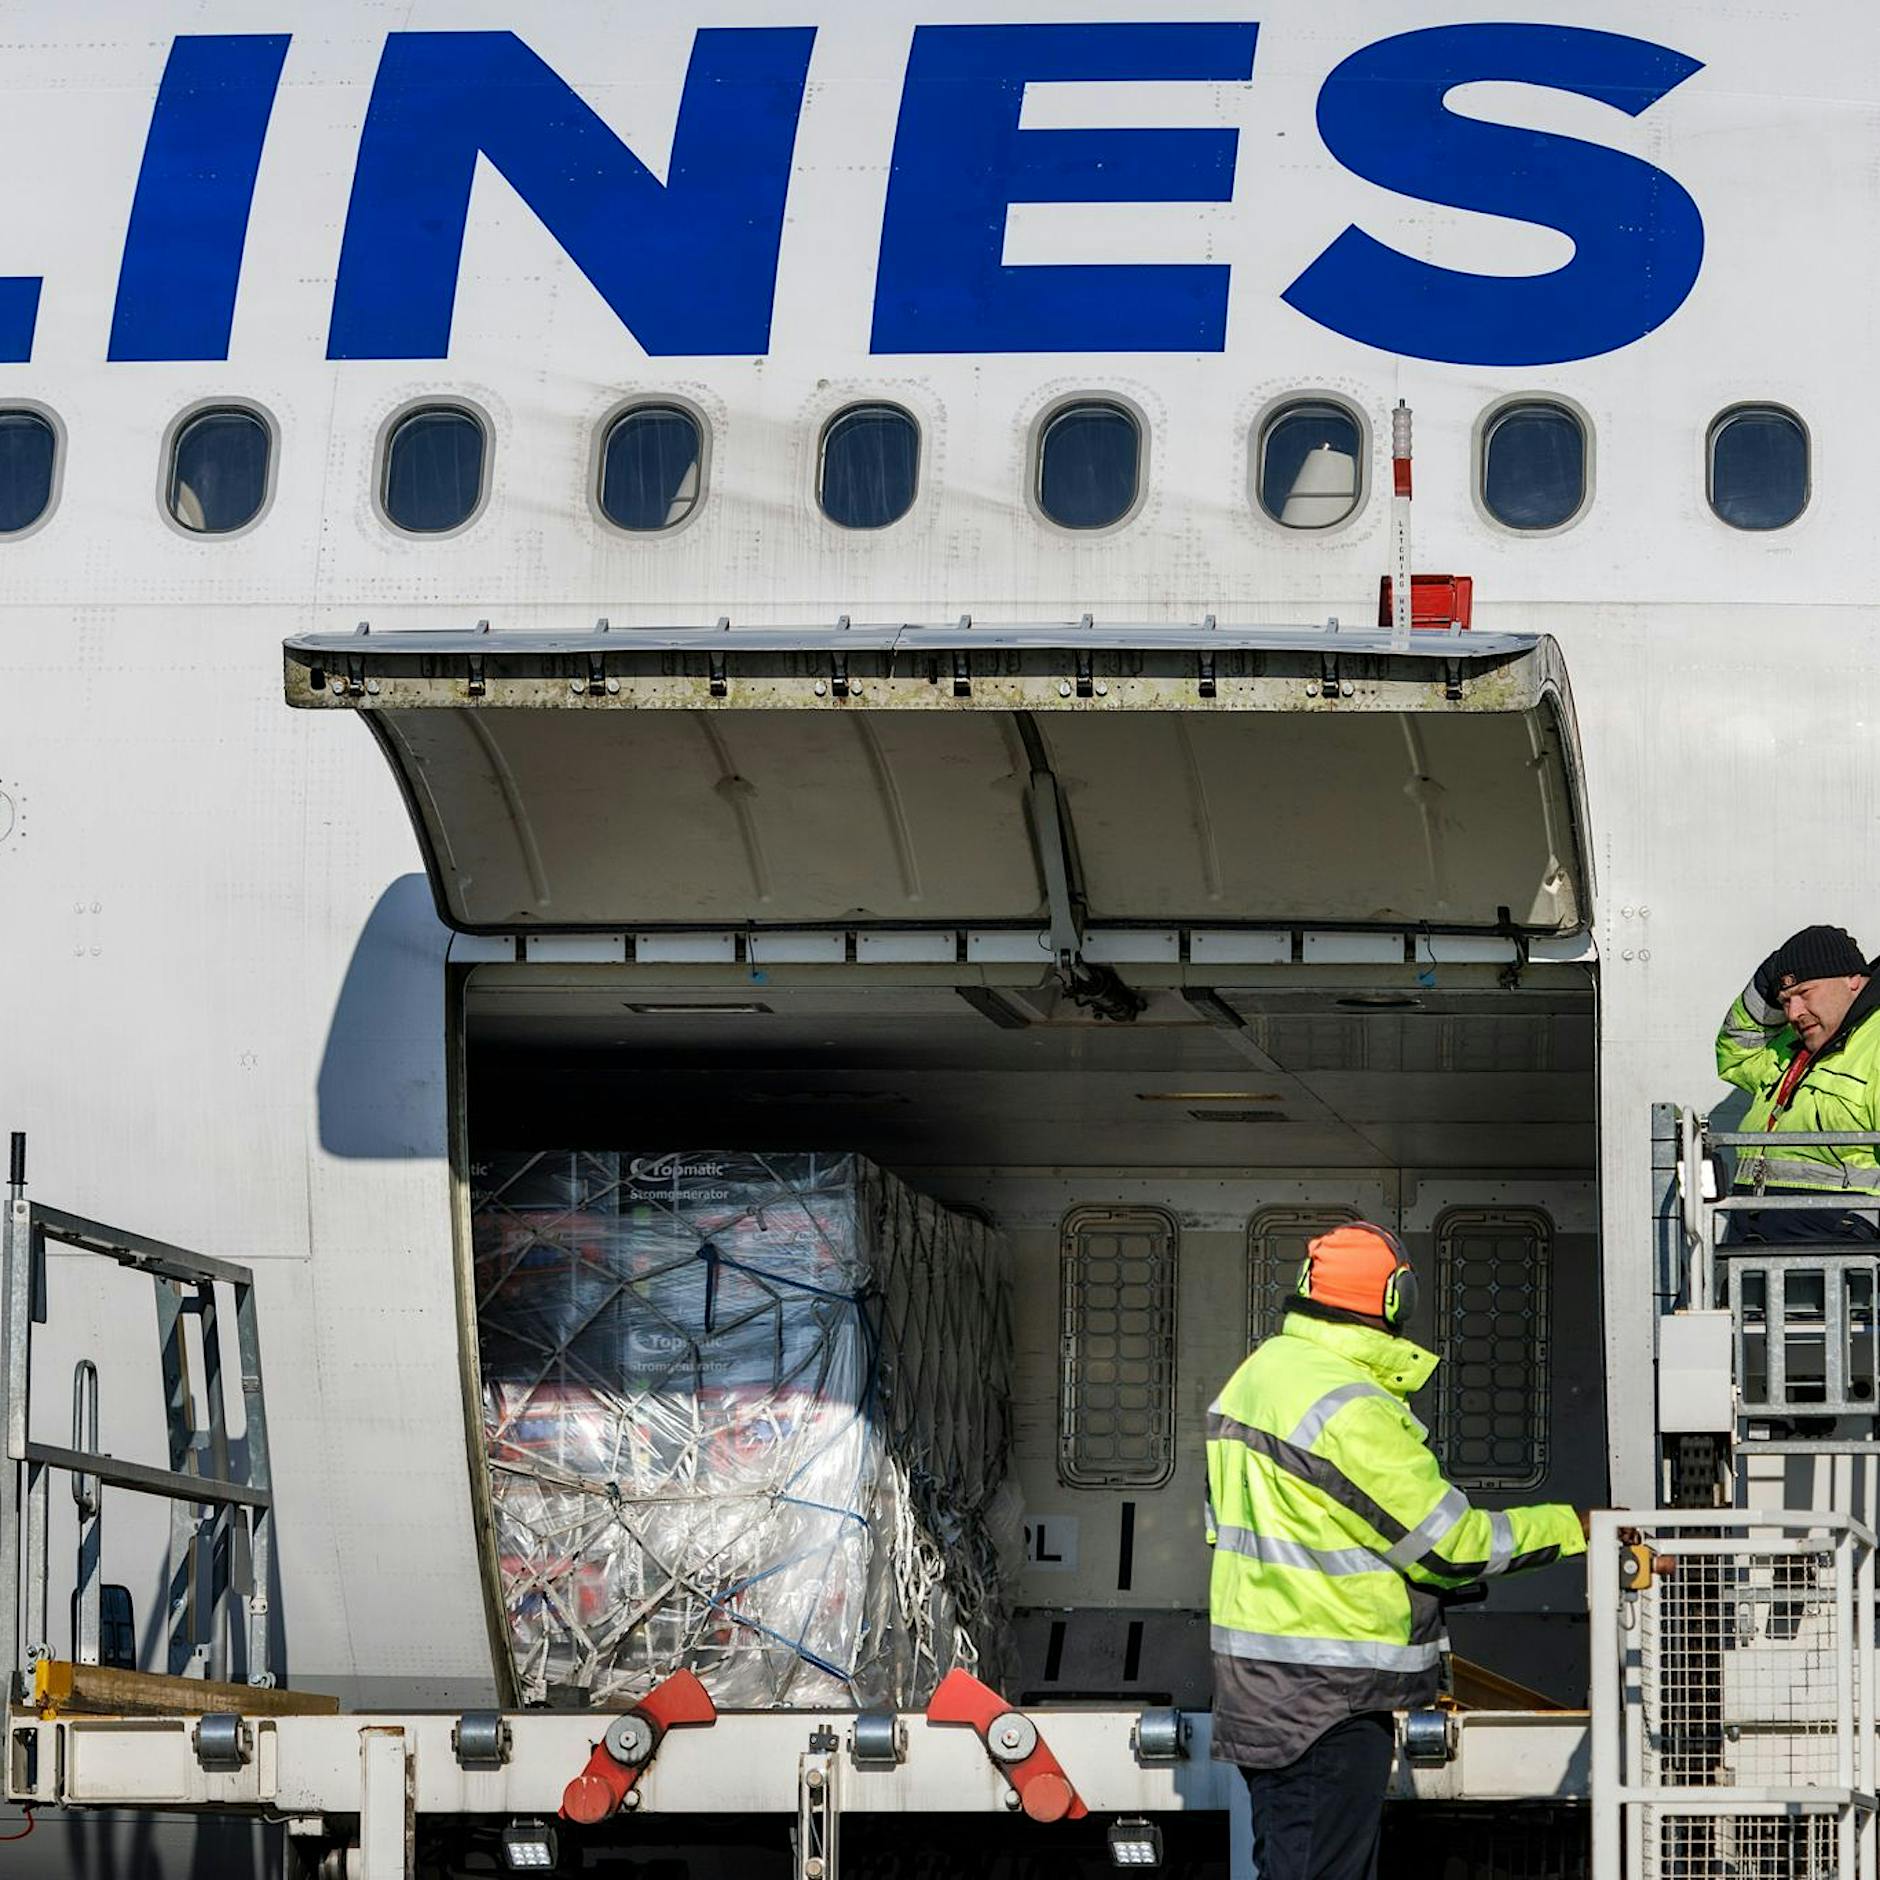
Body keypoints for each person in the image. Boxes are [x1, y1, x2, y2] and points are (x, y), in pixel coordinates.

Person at [1205, 1222, 1586, 1880]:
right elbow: (1451, 1547)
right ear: (1395, 1300)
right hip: (1328, 1699)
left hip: (1267, 1687)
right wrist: (1579, 1526)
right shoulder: (1347, 1407)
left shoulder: (1260, 1376)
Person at [1717, 923, 1880, 1242]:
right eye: (1784, 1000)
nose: (1793, 1012)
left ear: (1852, 979)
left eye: (1804, 994)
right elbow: (1737, 1050)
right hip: (1756, 1242)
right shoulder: (1798, 1046)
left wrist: (1863, 1228)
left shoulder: (1875, 1042)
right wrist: (1767, 978)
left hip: (1838, 1257)